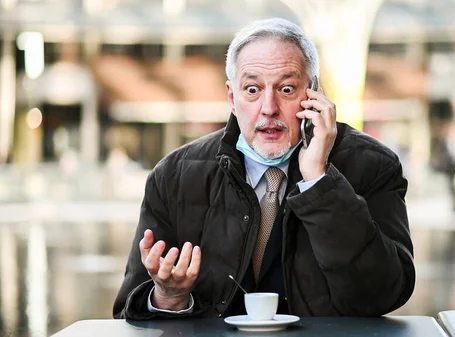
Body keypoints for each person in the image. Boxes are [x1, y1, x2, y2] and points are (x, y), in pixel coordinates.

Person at [113, 17, 415, 320]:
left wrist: (320, 183)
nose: (268, 107)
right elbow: (128, 309)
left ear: (313, 95)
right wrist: (168, 296)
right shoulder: (174, 176)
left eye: (286, 89)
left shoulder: (373, 165)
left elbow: (385, 294)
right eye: (253, 89)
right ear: (232, 97)